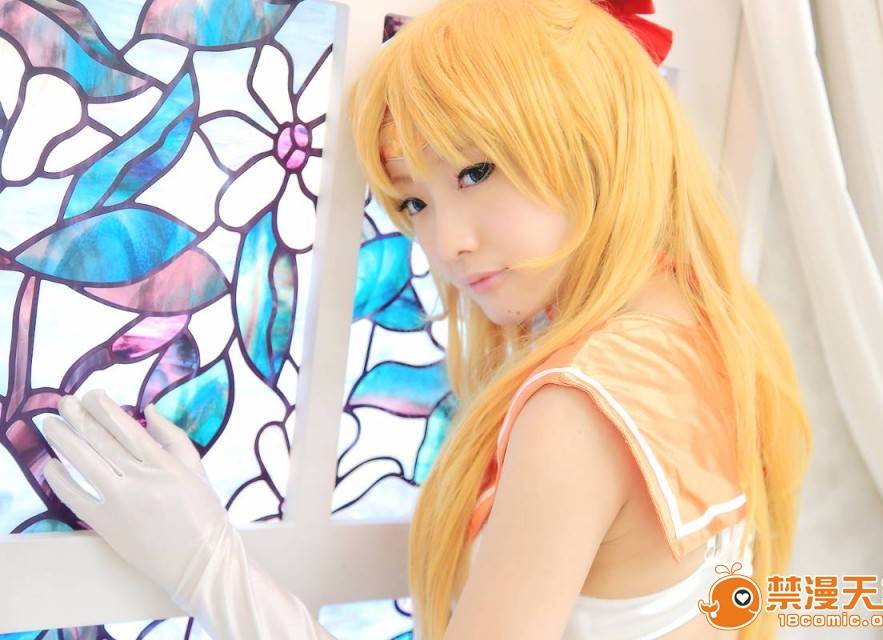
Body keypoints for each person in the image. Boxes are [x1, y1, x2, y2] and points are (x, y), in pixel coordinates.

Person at [39, 0, 813, 638]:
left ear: (594, 139)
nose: (443, 244)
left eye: (475, 171)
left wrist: (208, 568)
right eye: (414, 203)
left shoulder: (578, 411)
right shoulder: (707, 326)